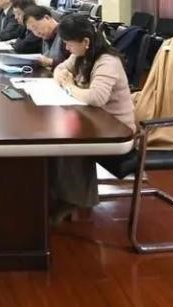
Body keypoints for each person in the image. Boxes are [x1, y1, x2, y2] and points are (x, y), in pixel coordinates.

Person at [49, 14, 135, 223]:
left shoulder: (107, 61)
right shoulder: (82, 54)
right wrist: (63, 78)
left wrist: (69, 86)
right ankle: (58, 193)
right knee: (58, 136)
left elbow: (96, 98)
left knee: (69, 143)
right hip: (93, 118)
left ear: (85, 41)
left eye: (69, 43)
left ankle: (72, 200)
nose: (66, 48)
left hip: (115, 127)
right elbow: (60, 68)